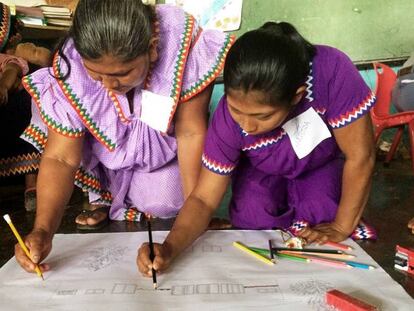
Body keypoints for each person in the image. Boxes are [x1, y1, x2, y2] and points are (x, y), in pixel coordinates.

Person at [137, 22, 376, 277]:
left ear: (296, 96)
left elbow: (360, 156)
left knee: (322, 213)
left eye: (262, 116)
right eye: (237, 110)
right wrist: (170, 247)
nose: (248, 125)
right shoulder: (227, 121)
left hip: (319, 162)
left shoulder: (332, 71)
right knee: (253, 220)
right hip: (261, 167)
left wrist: (341, 225)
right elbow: (204, 198)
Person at [15, 0, 233, 274]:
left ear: (152, 47)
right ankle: (104, 194)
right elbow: (61, 156)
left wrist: (199, 210)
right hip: (105, 155)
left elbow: (190, 132)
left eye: (122, 73)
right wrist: (43, 230)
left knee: (165, 202)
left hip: (164, 153)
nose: (109, 86)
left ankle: (127, 195)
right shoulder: (71, 64)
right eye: (97, 75)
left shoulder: (179, 43)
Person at [0, 3, 50, 212]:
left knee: (29, 112)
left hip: (11, 104)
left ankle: (33, 186)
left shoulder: (8, 57)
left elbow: (12, 66)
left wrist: (4, 84)